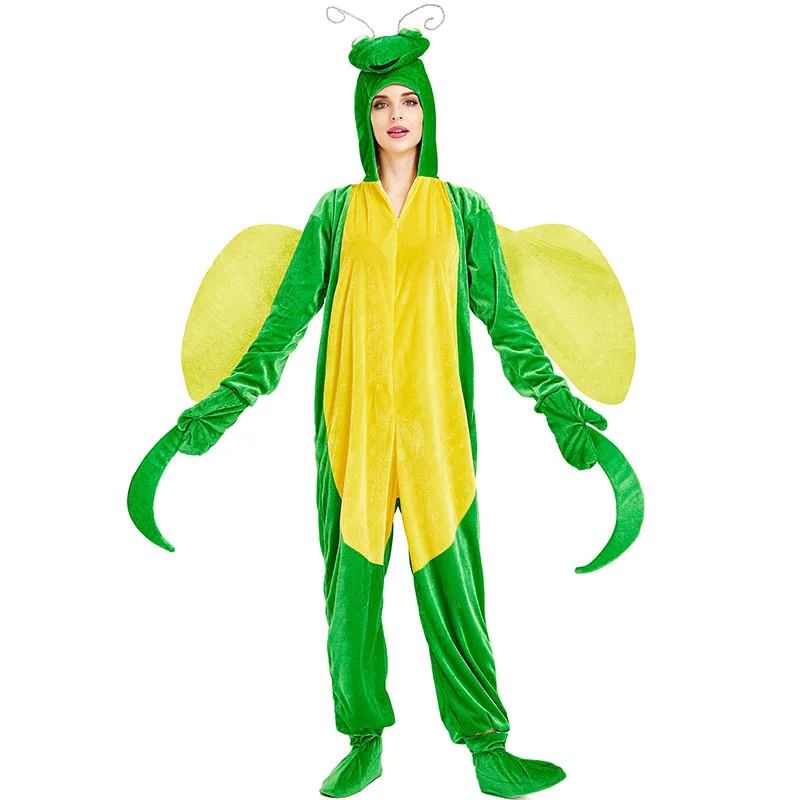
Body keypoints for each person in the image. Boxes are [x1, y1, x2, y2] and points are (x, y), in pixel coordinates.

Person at [173, 28, 608, 798]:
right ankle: (364, 739)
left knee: (457, 591)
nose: (397, 115)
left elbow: (506, 322)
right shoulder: (336, 213)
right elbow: (283, 323)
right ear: (363, 117)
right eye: (381, 103)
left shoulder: (464, 209)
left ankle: (488, 748)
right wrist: (218, 409)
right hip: (354, 434)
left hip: (439, 435)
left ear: (429, 111)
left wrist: (557, 403)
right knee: (350, 596)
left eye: (409, 100)